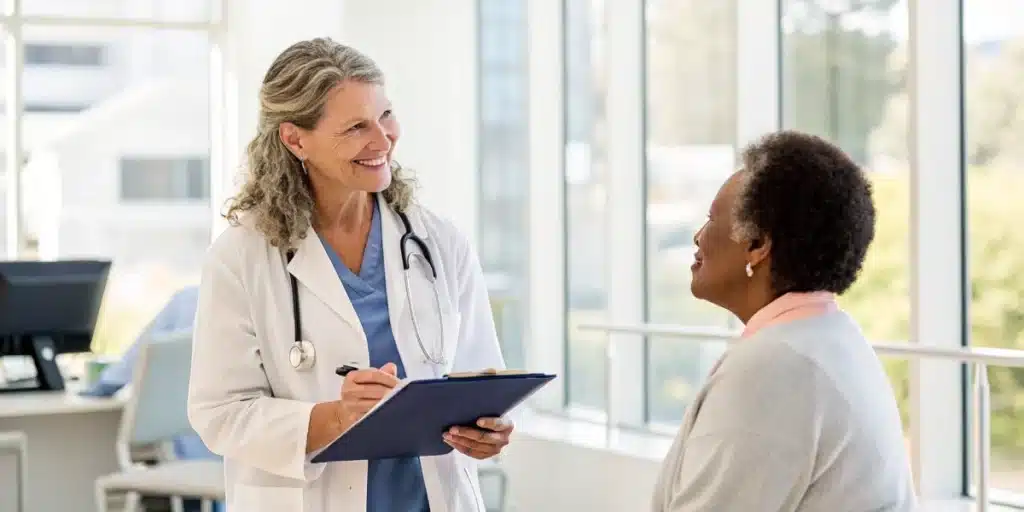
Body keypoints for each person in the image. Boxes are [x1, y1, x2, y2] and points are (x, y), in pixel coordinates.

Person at [187, 38, 510, 512]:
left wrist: (487, 431)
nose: (383, 140)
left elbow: (480, 378)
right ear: (295, 139)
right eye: (357, 127)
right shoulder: (241, 257)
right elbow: (219, 413)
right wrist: (336, 418)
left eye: (385, 116)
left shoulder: (438, 242)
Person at [650, 131, 916, 511]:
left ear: (757, 244)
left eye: (710, 219)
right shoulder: (827, 338)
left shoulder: (774, 367)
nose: (698, 236)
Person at [82, 285, 222, 512]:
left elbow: (132, 362)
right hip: (240, 458)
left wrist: (101, 386)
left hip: (197, 457)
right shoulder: (261, 302)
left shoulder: (189, 299)